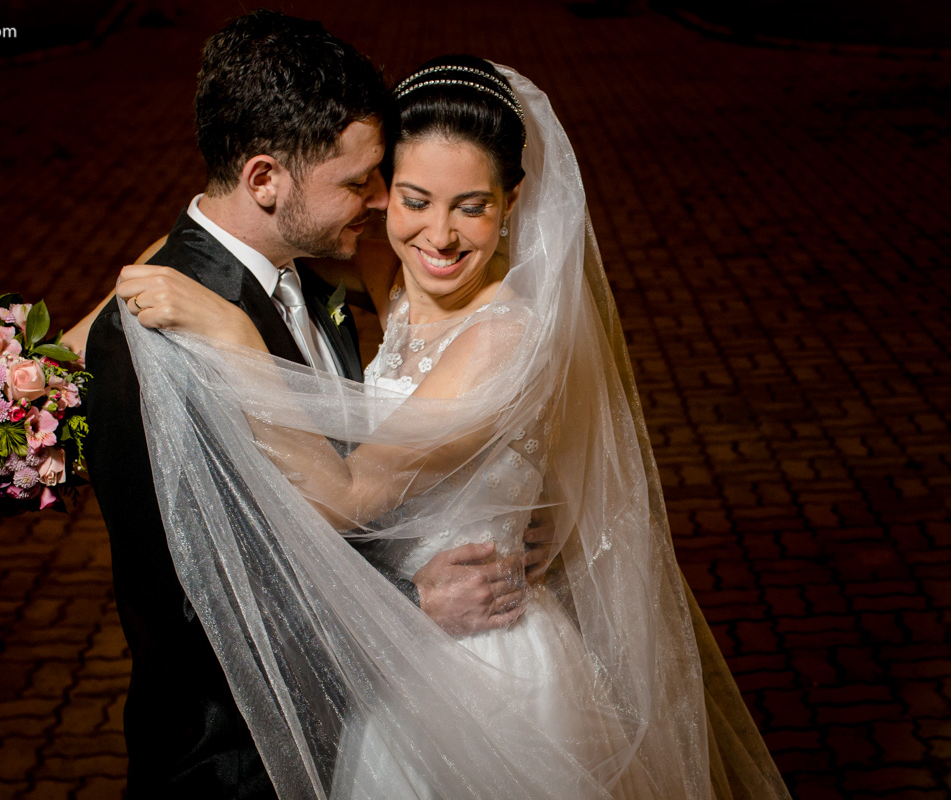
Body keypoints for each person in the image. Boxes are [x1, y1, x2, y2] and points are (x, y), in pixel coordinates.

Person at [116, 56, 792, 798]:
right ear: (381, 196)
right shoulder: (393, 276)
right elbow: (219, 241)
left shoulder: (504, 336)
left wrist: (234, 339)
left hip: (483, 664)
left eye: (471, 206)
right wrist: (46, 352)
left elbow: (342, 497)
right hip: (394, 659)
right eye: (414, 199)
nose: (439, 236)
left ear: (512, 204)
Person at [73, 14, 547, 798]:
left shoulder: (316, 269)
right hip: (237, 759)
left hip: (369, 713)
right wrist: (409, 603)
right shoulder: (167, 340)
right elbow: (203, 594)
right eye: (364, 182)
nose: (379, 204)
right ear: (265, 180)